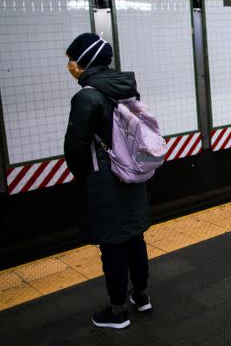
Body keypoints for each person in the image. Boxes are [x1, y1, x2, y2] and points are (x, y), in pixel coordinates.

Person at [64, 33, 152, 329]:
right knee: (135, 237)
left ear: (86, 60)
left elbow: (76, 147)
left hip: (105, 180)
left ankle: (117, 312)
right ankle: (140, 295)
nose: (70, 65)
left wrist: (84, 179)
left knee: (113, 244)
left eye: (73, 59)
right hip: (133, 172)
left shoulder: (87, 97)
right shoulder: (125, 87)